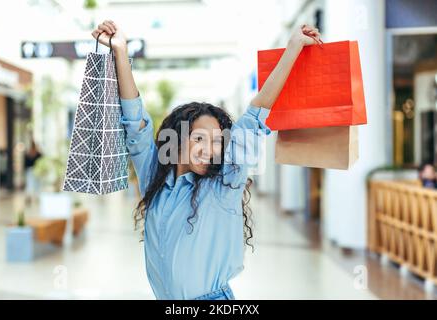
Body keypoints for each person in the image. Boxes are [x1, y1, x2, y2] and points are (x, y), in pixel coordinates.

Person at [92, 20, 321, 300]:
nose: (209, 149)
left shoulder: (224, 184)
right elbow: (135, 120)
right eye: (199, 138)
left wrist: (294, 47)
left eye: (216, 141)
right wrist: (120, 50)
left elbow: (257, 113)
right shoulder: (154, 177)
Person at [24, 139, 42, 203]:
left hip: (31, 170)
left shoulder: (28, 154)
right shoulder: (38, 154)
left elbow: (25, 164)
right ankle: (36, 197)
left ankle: (30, 196)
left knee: (30, 184)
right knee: (36, 184)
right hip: (35, 170)